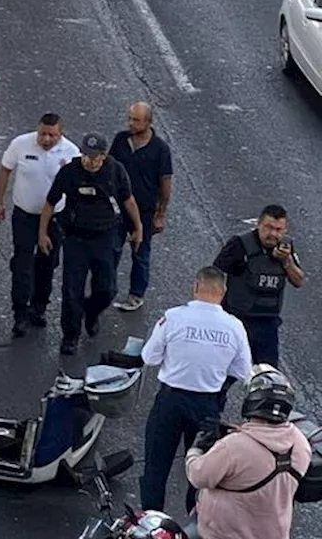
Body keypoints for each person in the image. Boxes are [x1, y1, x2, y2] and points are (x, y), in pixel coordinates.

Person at [138, 266, 253, 514]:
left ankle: (151, 522)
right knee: (202, 471)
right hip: (207, 405)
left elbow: (149, 357)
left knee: (156, 467)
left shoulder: (173, 317)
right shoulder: (234, 326)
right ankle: (196, 520)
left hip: (170, 400)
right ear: (223, 292)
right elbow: (243, 371)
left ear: (195, 286)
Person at [38, 133, 143, 355]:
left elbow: (128, 200)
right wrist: (42, 234)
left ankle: (92, 311)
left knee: (107, 289)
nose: (90, 161)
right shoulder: (69, 172)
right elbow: (50, 203)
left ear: (104, 156)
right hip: (76, 238)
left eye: (95, 157)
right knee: (71, 290)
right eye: (86, 156)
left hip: (105, 236)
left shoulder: (115, 171)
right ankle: (70, 336)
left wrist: (138, 227)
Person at [185, 364, 311, 539]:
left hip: (223, 533)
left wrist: (195, 449)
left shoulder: (233, 447)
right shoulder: (300, 443)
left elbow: (198, 476)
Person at [0, 113, 81, 337]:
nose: (46, 139)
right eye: (43, 133)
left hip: (55, 218)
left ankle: (39, 306)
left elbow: (77, 185)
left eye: (52, 135)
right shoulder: (21, 144)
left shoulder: (71, 152)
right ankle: (20, 312)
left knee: (47, 263)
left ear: (60, 133)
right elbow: (5, 170)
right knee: (22, 263)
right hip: (25, 215)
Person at [212, 204, 306, 367]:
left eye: (278, 229)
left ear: (285, 229)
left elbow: (299, 281)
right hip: (237, 320)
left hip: (267, 323)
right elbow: (214, 274)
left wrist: (286, 262)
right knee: (222, 374)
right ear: (258, 224)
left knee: (268, 377)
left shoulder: (286, 247)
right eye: (269, 228)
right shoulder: (240, 244)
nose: (273, 234)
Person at [108, 102, 173, 312]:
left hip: (144, 211)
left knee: (140, 252)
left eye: (136, 120)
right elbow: (109, 166)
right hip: (118, 208)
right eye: (130, 118)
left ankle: (136, 294)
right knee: (111, 250)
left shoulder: (160, 149)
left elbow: (165, 184)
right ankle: (106, 290)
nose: (131, 123)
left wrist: (160, 213)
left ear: (148, 122)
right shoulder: (121, 139)